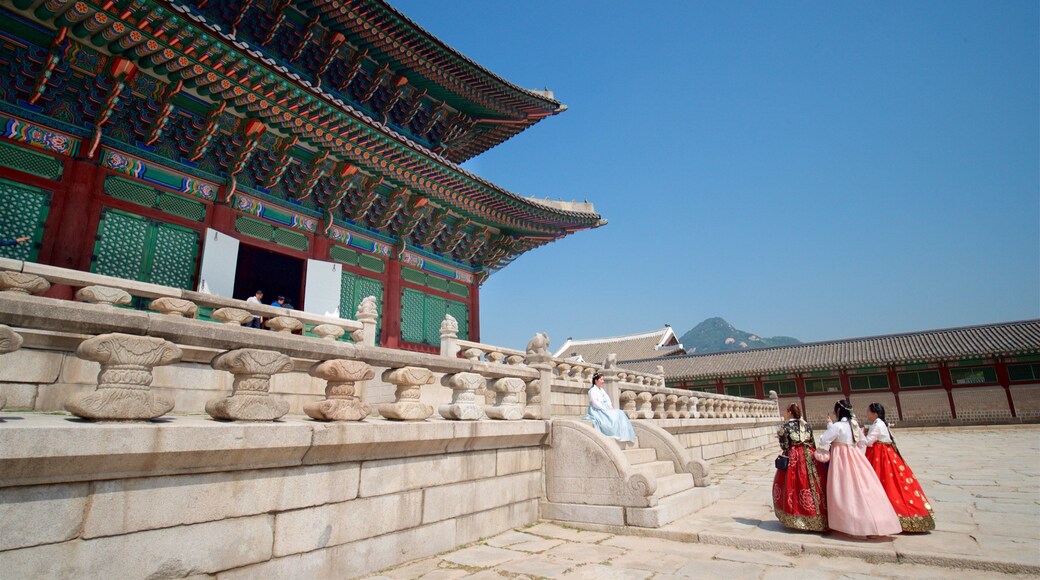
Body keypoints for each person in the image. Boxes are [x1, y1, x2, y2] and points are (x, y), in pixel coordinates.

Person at [818, 399, 901, 537]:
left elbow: (824, 440)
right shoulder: (854, 425)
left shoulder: (838, 425)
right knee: (865, 486)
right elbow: (863, 442)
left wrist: (829, 425)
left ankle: (851, 524)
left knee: (845, 488)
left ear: (838, 411)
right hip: (856, 456)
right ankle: (878, 521)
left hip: (841, 458)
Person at [863, 402, 935, 532]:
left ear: (875, 413)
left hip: (881, 457)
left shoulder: (877, 425)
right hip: (888, 456)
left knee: (886, 484)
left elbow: (868, 442)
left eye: (868, 412)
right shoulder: (881, 424)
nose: (866, 414)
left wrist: (859, 434)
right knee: (895, 484)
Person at [772, 403, 827, 531]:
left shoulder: (785, 427)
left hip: (794, 458)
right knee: (812, 484)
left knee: (793, 485)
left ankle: (796, 518)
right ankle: (817, 518)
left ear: (790, 412)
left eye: (786, 411)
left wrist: (781, 437)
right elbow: (812, 443)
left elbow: (785, 446)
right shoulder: (807, 425)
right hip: (809, 456)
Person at [584, 373, 636, 446]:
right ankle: (615, 432)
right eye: (601, 379)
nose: (603, 381)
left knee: (620, 413)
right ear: (596, 380)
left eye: (603, 379)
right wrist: (604, 408)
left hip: (605, 407)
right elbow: (594, 402)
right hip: (597, 409)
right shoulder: (592, 390)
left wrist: (610, 407)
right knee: (614, 416)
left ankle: (623, 433)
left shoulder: (602, 390)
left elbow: (607, 399)